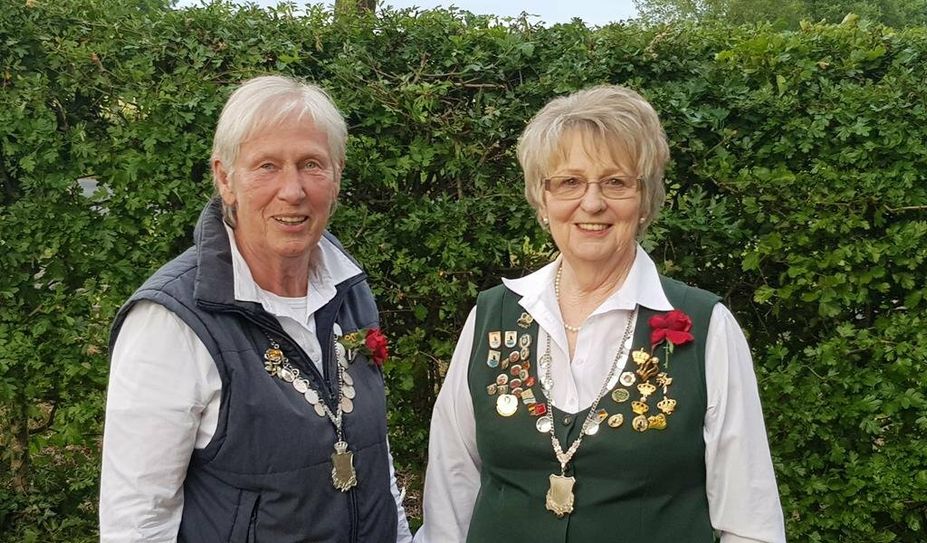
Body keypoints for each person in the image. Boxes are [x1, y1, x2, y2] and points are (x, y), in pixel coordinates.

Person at [414, 85, 786, 542]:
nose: (592, 203)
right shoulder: (491, 317)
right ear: (542, 199)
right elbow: (451, 491)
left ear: (644, 200)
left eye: (616, 182)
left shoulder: (708, 326)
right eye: (569, 182)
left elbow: (749, 522)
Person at [100, 75, 412, 543]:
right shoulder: (171, 322)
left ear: (337, 175)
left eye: (312, 164)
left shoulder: (348, 289)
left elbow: (372, 451)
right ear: (225, 178)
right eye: (267, 166)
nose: (293, 190)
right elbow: (138, 520)